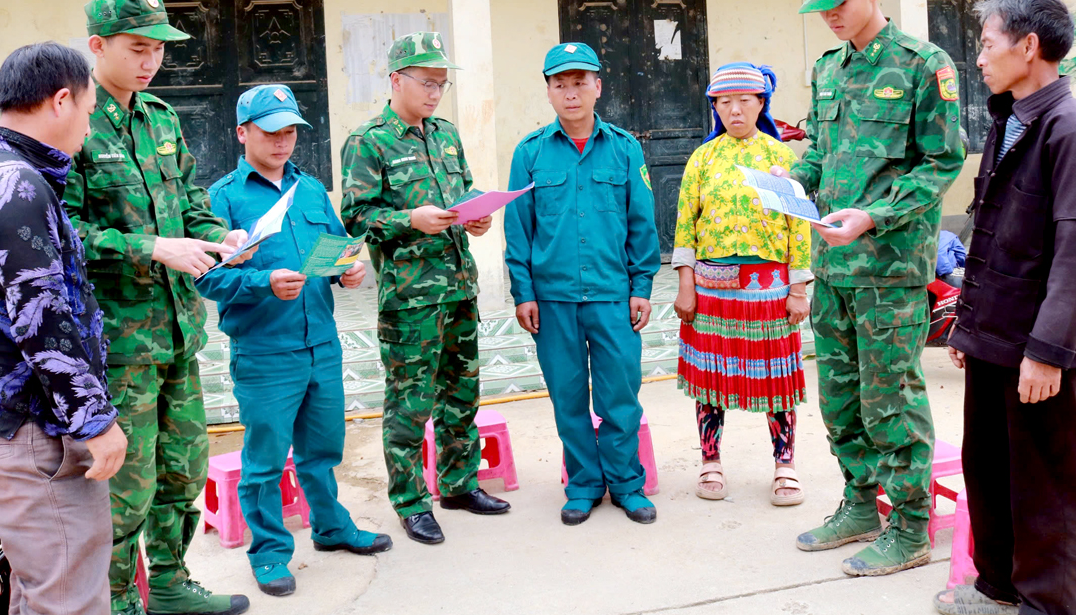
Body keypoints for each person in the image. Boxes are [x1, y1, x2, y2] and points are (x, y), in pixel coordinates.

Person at [777, 0, 964, 576]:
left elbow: (942, 161)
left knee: (892, 398)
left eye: (841, 1)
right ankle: (860, 503)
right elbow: (820, 153)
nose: (829, 15)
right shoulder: (828, 69)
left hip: (888, 270)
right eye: (821, 5)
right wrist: (788, 184)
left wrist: (874, 215)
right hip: (831, 267)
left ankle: (911, 528)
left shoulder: (922, 65)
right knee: (840, 396)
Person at [63, 0, 251, 615]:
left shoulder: (163, 119)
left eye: (158, 50)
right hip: (120, 342)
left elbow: (191, 206)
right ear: (97, 46)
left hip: (177, 334)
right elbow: (64, 236)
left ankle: (169, 584)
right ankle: (118, 601)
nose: (150, 61)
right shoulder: (74, 126)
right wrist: (151, 246)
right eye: (137, 48)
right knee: (126, 486)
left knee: (182, 469)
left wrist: (215, 236)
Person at [934, 0, 1076, 615]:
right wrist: (968, 325)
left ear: (1028, 46)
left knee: (1049, 490)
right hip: (993, 337)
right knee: (990, 474)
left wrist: (1047, 353)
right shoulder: (1011, 119)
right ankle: (1000, 588)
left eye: (987, 44)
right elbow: (990, 230)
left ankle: (1050, 605)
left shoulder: (1072, 128)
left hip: (1039, 350)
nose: (977, 58)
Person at [0, 42, 128, 614]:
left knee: (42, 591)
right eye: (90, 109)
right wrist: (94, 421)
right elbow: (41, 318)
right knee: (69, 600)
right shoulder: (17, 186)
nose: (90, 124)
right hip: (35, 434)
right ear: (61, 100)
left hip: (15, 423)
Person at [196, 85, 392, 597]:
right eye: (270, 131)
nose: (283, 142)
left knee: (323, 448)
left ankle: (330, 528)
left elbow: (335, 249)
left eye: (290, 132)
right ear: (242, 133)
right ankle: (269, 553)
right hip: (265, 350)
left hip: (320, 343)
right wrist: (264, 281)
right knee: (264, 458)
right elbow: (205, 278)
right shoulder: (221, 199)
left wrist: (346, 271)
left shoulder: (309, 190)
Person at [340, 31, 506, 545]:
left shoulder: (446, 135)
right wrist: (410, 219)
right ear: (396, 80)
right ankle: (411, 501)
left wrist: (474, 216)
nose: (435, 92)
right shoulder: (368, 141)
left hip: (458, 287)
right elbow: (356, 216)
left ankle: (458, 484)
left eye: (442, 84)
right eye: (427, 82)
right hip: (410, 298)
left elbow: (461, 194)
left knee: (461, 393)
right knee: (410, 403)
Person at [504, 42, 662, 526]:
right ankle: (584, 485)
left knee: (619, 396)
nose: (570, 93)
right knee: (568, 397)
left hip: (614, 296)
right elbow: (519, 228)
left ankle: (627, 484)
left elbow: (642, 222)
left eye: (579, 83)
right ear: (549, 93)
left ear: (598, 86)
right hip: (552, 301)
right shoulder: (529, 153)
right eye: (560, 85)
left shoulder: (625, 147)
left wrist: (641, 285)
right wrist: (523, 292)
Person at [671, 62, 810, 506]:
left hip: (769, 288)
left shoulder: (782, 158)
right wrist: (685, 284)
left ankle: (784, 463)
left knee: (777, 379)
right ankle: (710, 460)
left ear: (761, 103)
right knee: (711, 379)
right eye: (725, 102)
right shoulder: (703, 158)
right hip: (711, 289)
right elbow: (685, 227)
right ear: (715, 107)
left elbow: (799, 227)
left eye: (744, 101)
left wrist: (798, 287)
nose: (734, 110)